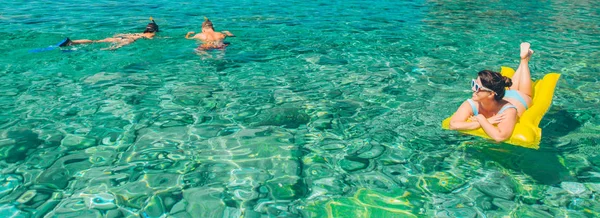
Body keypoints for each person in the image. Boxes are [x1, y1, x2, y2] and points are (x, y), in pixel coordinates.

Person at [449, 42, 534, 142]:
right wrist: (487, 121)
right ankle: (523, 59)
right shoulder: (472, 103)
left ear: (490, 93)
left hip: (520, 98)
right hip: (504, 95)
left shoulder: (509, 111)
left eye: (477, 87)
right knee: (512, 85)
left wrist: (480, 118)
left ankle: (524, 60)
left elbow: (500, 137)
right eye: (473, 84)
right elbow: (453, 125)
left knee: (526, 92)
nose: (473, 89)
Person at [59, 19, 159, 50]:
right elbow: (150, 39)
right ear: (154, 31)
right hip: (128, 40)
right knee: (118, 46)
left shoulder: (139, 33)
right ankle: (107, 49)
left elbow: (124, 34)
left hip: (121, 36)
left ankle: (72, 42)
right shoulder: (150, 35)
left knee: (96, 41)